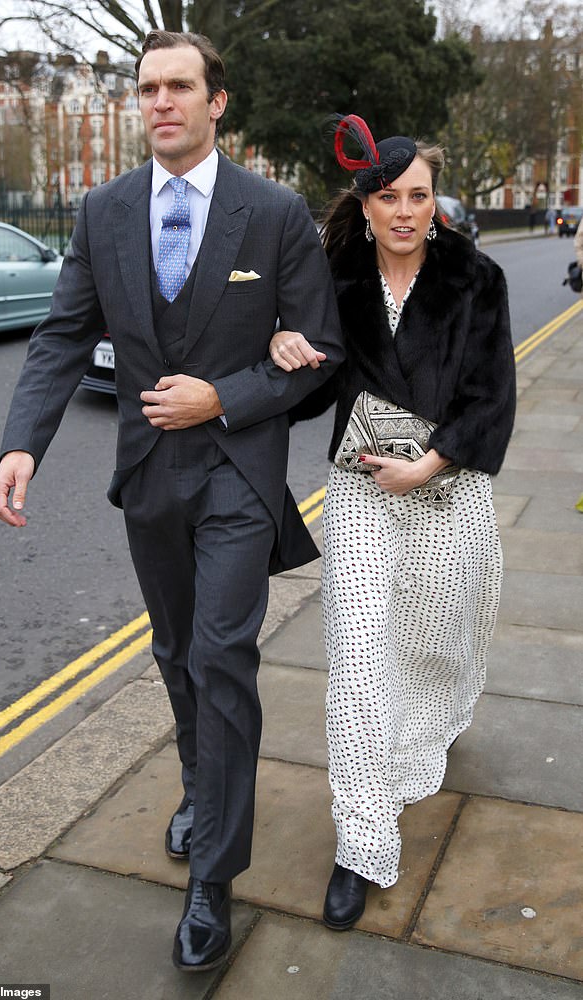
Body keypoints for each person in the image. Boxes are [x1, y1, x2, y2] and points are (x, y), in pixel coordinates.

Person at [0, 30, 344, 972]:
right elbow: (62, 334)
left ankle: (212, 879)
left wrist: (226, 394)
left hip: (235, 470)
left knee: (223, 656)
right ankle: (200, 789)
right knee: (176, 648)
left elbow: (322, 350)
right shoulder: (103, 210)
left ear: (216, 101)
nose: (161, 103)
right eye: (147, 89)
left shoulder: (272, 212)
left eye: (180, 86)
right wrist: (23, 443)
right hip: (148, 471)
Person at [269, 115, 516, 931]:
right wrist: (286, 347)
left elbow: (492, 399)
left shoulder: (476, 278)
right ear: (365, 204)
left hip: (447, 489)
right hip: (365, 493)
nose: (405, 211)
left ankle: (432, 727)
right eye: (387, 197)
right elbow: (312, 395)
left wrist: (432, 462)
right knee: (361, 657)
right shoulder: (333, 278)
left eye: (419, 195)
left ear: (435, 201)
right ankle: (361, 838)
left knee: (431, 643)